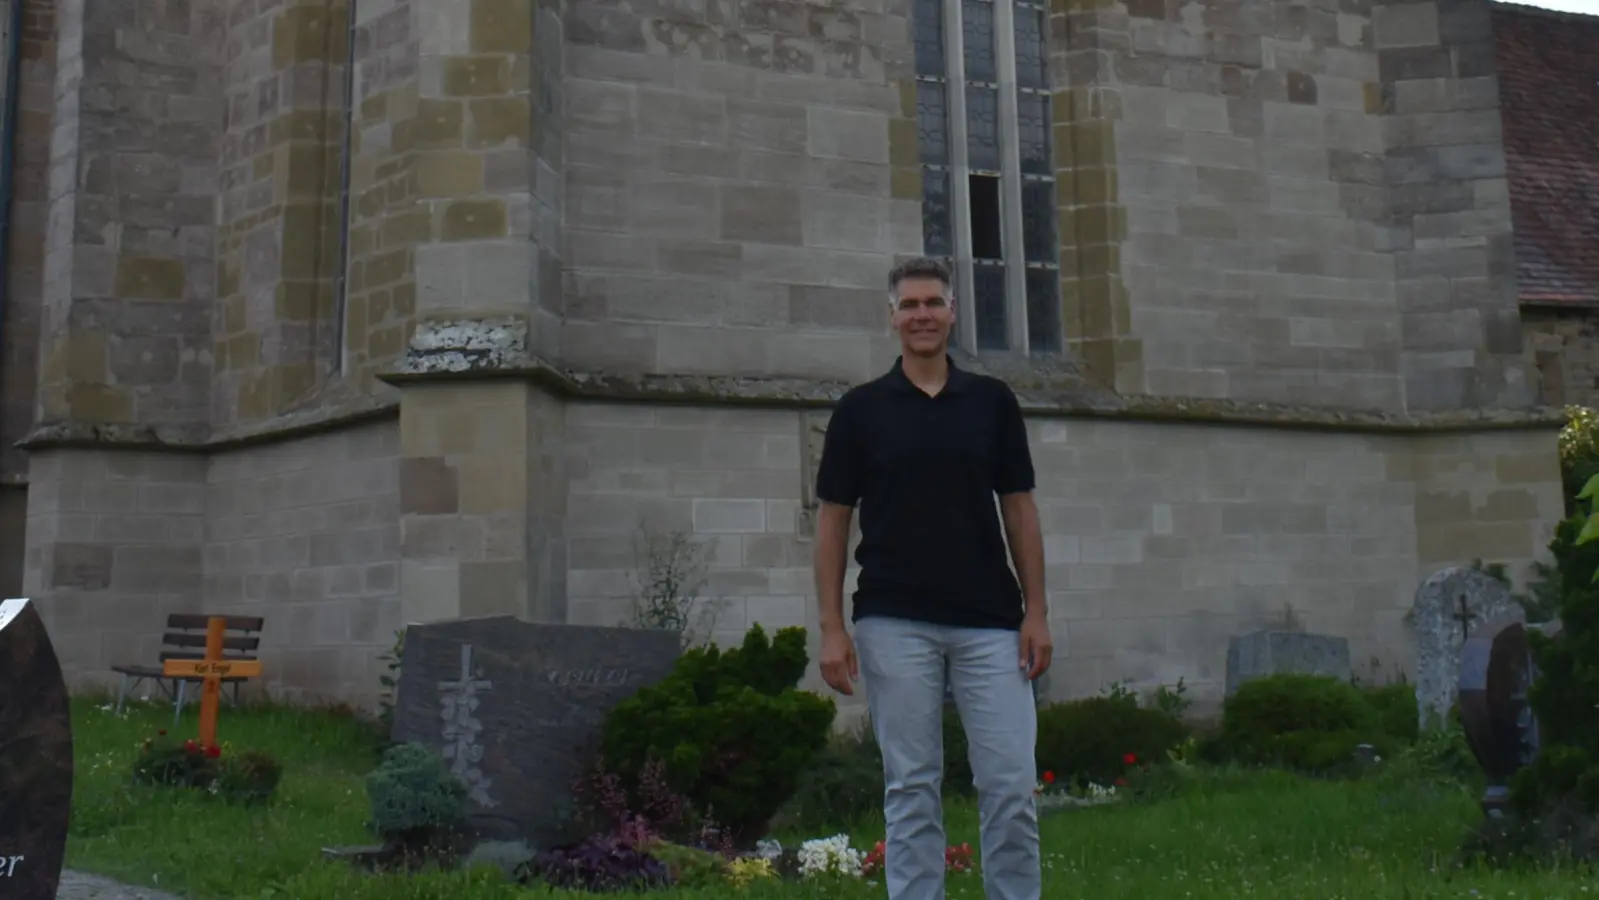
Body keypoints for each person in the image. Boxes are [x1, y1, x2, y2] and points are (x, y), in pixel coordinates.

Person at [812, 256, 1051, 900]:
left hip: (990, 621)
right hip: (894, 620)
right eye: (910, 305)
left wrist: (1037, 612)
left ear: (953, 312)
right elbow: (833, 520)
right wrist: (832, 627)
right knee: (912, 788)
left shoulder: (992, 403)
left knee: (1010, 785)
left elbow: (1019, 507)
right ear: (892, 317)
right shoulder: (860, 411)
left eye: (933, 303)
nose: (922, 315)